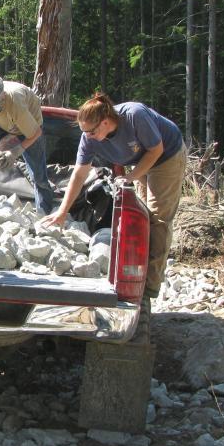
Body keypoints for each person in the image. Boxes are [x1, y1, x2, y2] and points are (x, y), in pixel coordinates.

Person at [43, 93, 186, 306]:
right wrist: (62, 211)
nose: (87, 136)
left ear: (105, 122)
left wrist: (131, 177)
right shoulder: (89, 138)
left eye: (91, 132)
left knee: (158, 218)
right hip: (141, 160)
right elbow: (79, 175)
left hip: (166, 156)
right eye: (84, 132)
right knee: (142, 215)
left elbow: (156, 150)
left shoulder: (135, 115)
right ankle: (138, 267)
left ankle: (150, 286)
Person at [0, 74, 56, 214]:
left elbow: (35, 133)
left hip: (30, 126)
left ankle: (44, 211)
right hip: (1, 124)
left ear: (3, 96)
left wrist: (14, 152)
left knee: (38, 174)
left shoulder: (15, 101)